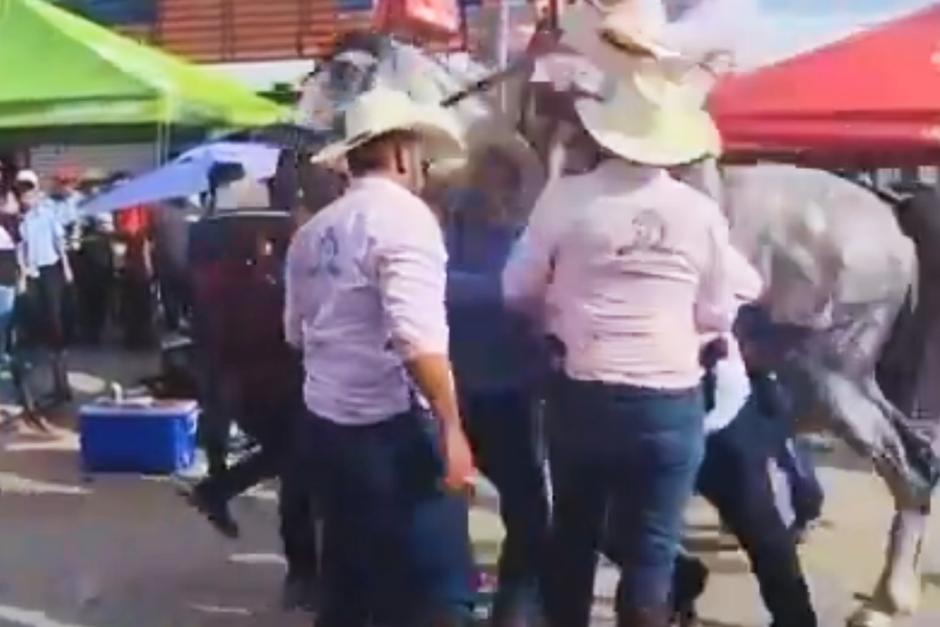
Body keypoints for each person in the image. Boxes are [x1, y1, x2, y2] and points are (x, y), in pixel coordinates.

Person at [503, 72, 735, 627]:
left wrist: (556, 314)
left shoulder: (566, 198)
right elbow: (719, 312)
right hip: (667, 399)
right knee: (652, 550)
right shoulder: (699, 212)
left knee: (575, 536)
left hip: (584, 391)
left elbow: (516, 288)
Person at [285, 86, 477, 627]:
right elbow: (417, 340)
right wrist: (452, 428)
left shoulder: (312, 233)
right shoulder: (406, 220)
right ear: (399, 154)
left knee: (348, 583)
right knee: (435, 593)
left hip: (326, 425)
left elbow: (296, 335)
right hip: (394, 428)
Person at [444, 147, 549, 625]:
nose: (498, 189)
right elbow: (437, 284)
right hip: (471, 388)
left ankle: (510, 609)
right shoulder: (454, 226)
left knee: (527, 511)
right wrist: (505, 291)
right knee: (513, 509)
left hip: (509, 386)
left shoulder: (525, 230)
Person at [15, 169, 73, 403]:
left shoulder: (47, 215)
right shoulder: (22, 221)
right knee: (43, 326)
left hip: (51, 270)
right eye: (22, 193)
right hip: (34, 273)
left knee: (55, 323)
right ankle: (57, 381)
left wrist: (67, 267)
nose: (26, 197)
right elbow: (22, 249)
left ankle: (63, 382)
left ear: (37, 192)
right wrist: (23, 275)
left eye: (30, 191)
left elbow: (59, 242)